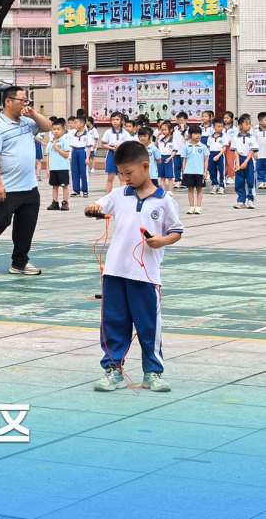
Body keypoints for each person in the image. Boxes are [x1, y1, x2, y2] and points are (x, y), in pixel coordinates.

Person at [85, 140, 181, 393]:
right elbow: (98, 206)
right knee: (113, 322)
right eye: (121, 174)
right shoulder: (119, 195)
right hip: (114, 270)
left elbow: (176, 231)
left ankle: (153, 372)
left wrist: (161, 241)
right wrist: (93, 209)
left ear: (146, 167)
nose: (125, 178)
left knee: (148, 325)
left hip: (145, 274)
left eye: (129, 173)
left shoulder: (165, 201)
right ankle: (113, 370)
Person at [0, 87, 53, 276]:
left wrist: (33, 113)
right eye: (22, 100)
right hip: (8, 186)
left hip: (29, 186)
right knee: (0, 222)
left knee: (26, 226)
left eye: (27, 101)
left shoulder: (27, 122)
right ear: (8, 101)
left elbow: (48, 126)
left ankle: (20, 263)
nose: (25, 104)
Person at [101, 113, 135, 193]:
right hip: (111, 154)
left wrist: (121, 146)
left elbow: (128, 144)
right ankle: (107, 195)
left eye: (117, 120)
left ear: (121, 121)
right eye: (113, 120)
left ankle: (123, 195)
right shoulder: (108, 132)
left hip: (122, 155)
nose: (115, 122)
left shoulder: (125, 133)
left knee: (122, 176)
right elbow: (103, 144)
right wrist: (111, 148)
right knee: (110, 177)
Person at [230, 115, 258, 209]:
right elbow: (235, 151)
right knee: (239, 181)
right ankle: (241, 200)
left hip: (249, 160)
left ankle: (250, 199)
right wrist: (238, 163)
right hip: (239, 159)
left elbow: (252, 150)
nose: (249, 126)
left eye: (249, 124)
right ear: (240, 125)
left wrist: (245, 162)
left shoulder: (252, 138)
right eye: (246, 124)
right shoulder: (235, 138)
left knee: (250, 180)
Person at [45, 118, 72, 212]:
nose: (56, 131)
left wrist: (57, 149)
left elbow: (66, 155)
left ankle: (65, 202)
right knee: (54, 186)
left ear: (63, 130)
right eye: (54, 129)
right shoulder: (50, 143)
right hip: (53, 168)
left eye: (58, 129)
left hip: (63, 167)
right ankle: (55, 202)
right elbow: (48, 156)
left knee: (64, 185)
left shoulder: (64, 142)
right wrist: (48, 168)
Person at [182, 125, 208, 215]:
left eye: (199, 133)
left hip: (199, 172)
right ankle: (191, 206)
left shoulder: (203, 147)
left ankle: (198, 207)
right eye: (195, 133)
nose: (198, 135)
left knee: (199, 189)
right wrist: (184, 172)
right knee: (190, 190)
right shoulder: (186, 147)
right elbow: (184, 160)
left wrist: (205, 171)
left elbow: (206, 160)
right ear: (190, 134)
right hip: (189, 171)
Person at [69, 116, 91, 197]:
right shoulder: (74, 134)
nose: (74, 124)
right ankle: (76, 190)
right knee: (75, 171)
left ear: (82, 124)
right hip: (75, 152)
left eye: (76, 123)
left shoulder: (87, 134)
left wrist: (87, 158)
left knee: (83, 172)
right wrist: (71, 157)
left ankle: (85, 190)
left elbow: (89, 147)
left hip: (83, 152)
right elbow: (72, 146)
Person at [207, 118, 229, 195]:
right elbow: (208, 147)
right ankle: (214, 184)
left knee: (222, 170)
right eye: (218, 126)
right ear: (214, 127)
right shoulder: (210, 137)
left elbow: (224, 148)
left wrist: (218, 155)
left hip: (220, 154)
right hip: (212, 154)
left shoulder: (223, 136)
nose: (220, 128)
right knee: (212, 170)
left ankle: (222, 186)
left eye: (221, 126)